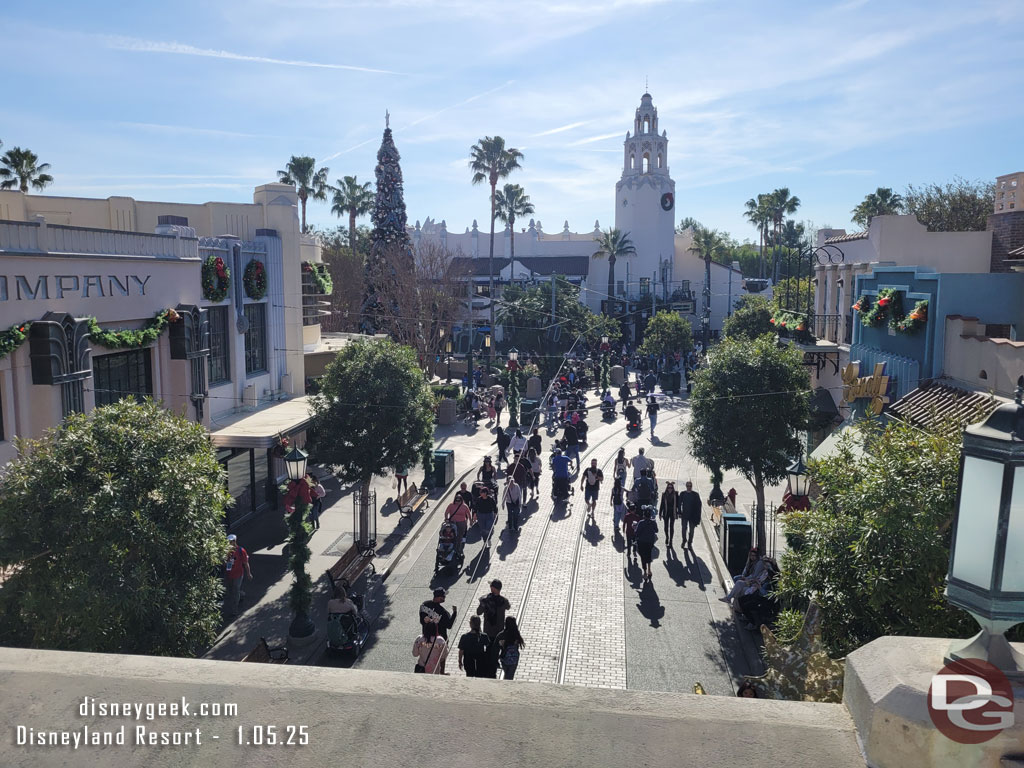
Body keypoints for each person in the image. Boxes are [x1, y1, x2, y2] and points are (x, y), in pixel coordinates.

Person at [477, 580, 512, 677]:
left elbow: (478, 612)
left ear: (493, 588)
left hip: (488, 630)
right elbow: (508, 607)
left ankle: (488, 668)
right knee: (496, 649)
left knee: (488, 649)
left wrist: (482, 604)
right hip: (499, 631)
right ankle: (494, 665)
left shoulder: (485, 600)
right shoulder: (503, 601)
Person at [224, 534, 252, 618]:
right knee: (230, 591)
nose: (229, 543)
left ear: (234, 541)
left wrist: (248, 573)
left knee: (235, 590)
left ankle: (234, 610)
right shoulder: (226, 551)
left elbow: (245, 563)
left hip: (238, 574)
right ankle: (241, 594)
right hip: (228, 574)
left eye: (230, 542)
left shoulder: (241, 551)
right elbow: (223, 562)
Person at [495, 616, 526, 680]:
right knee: (510, 676)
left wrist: (495, 659)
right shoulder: (516, 634)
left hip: (504, 658)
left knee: (507, 674)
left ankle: (505, 685)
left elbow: (495, 648)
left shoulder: (501, 635)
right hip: (514, 659)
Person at [634, 507, 659, 581]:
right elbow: (656, 530)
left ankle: (644, 572)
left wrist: (634, 528)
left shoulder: (641, 522)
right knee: (648, 555)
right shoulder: (653, 522)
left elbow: (637, 533)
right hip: (650, 541)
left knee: (643, 557)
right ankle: (649, 570)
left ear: (644, 515)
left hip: (641, 542)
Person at [679, 480, 702, 549]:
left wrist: (698, 516)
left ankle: (690, 543)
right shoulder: (682, 494)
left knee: (691, 531)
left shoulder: (695, 495)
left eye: (690, 486)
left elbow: (699, 506)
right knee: (683, 529)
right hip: (684, 515)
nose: (689, 487)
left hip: (692, 516)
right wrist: (679, 512)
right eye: (688, 486)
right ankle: (684, 540)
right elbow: (679, 503)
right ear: (686, 486)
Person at [659, 481, 679, 548]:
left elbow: (678, 504)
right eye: (668, 488)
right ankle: (667, 537)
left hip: (673, 512)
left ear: (673, 488)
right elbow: (662, 504)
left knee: (671, 527)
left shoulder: (675, 494)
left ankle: (671, 540)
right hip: (666, 512)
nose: (670, 489)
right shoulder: (664, 494)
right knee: (666, 527)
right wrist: (660, 513)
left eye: (671, 488)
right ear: (667, 488)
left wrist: (679, 512)